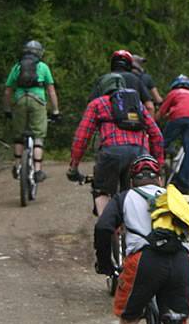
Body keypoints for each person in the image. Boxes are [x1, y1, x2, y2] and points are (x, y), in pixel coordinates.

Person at [94, 155, 189, 324]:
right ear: (160, 179)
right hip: (180, 262)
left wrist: (106, 264)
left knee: (128, 319)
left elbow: (103, 227)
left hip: (143, 262)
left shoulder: (124, 197)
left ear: (131, 181)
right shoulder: (173, 198)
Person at [67, 74, 165, 217]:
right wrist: (158, 164)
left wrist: (74, 166)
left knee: (102, 191)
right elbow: (157, 135)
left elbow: (81, 138)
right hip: (139, 154)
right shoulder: (136, 105)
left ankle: (105, 233)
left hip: (111, 154)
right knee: (137, 195)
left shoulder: (97, 104)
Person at [3, 40, 60, 182]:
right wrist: (56, 111)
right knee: (38, 136)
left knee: (18, 136)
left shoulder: (17, 67)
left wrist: (7, 109)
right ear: (40, 52)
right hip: (37, 101)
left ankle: (17, 167)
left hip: (20, 100)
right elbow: (51, 91)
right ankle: (38, 171)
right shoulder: (43, 67)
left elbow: (7, 91)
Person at [89, 50, 156, 113]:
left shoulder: (102, 79)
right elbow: (149, 107)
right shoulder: (136, 79)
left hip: (107, 123)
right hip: (133, 123)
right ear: (129, 65)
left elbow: (91, 106)